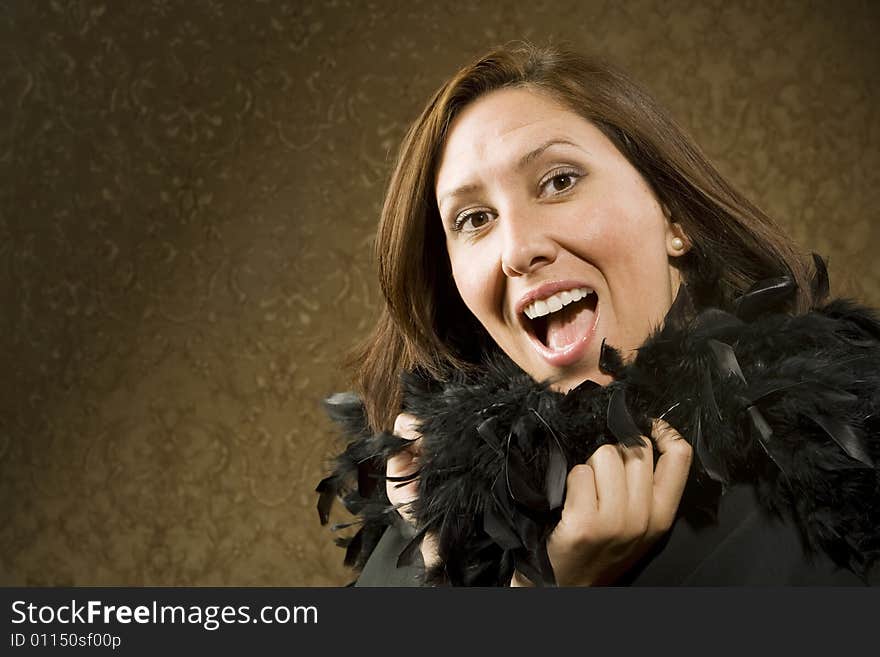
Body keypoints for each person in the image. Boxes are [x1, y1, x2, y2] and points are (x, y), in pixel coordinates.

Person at [317, 42, 880, 586]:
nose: (516, 251)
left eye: (559, 182)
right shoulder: (424, 515)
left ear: (674, 215)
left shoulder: (831, 473)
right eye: (474, 219)